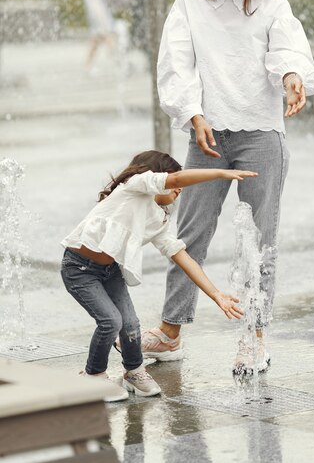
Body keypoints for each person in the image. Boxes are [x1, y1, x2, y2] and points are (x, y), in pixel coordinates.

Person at [143, 0, 314, 374]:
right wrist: (194, 115)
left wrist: (292, 78)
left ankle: (255, 338)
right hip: (209, 136)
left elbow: (286, 52)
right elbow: (176, 67)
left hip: (262, 136)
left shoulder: (272, 6)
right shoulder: (189, 5)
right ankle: (170, 333)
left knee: (261, 242)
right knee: (189, 235)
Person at [60, 150, 254, 401]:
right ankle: (94, 377)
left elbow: (182, 257)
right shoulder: (134, 186)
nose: (179, 189)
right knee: (111, 322)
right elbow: (173, 181)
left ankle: (134, 372)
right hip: (79, 269)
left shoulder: (158, 219)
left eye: (179, 184)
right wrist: (220, 173)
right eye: (175, 182)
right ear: (155, 177)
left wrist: (216, 294)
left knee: (130, 325)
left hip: (110, 272)